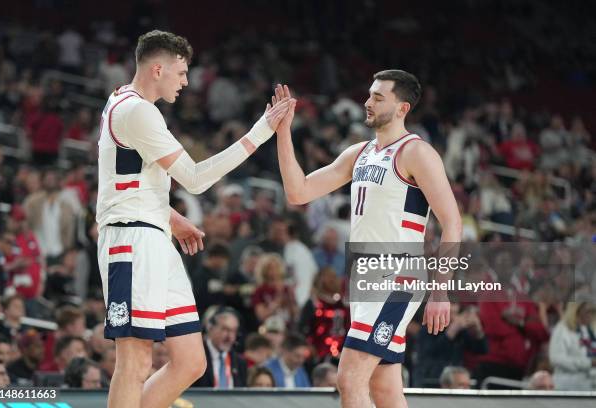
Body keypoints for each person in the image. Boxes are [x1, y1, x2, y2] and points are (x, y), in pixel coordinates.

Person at [95, 30, 290, 408]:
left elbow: (125, 180)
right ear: (157, 69)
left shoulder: (122, 101)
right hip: (131, 241)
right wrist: (261, 130)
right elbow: (196, 179)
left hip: (152, 235)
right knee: (134, 362)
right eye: (181, 73)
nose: (186, 82)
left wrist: (169, 218)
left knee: (190, 361)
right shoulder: (137, 110)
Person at [275, 69, 461, 407]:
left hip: (397, 275)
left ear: (403, 108)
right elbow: (298, 192)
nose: (367, 102)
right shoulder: (358, 153)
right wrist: (283, 132)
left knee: (348, 378)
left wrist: (441, 289)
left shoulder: (416, 152)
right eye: (369, 94)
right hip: (364, 278)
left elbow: (452, 222)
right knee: (384, 387)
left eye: (378, 97)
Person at [193, 307, 247, 388]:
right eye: (225, 329)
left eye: (234, 331)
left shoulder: (240, 363)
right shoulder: (195, 357)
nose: (230, 336)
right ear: (210, 328)